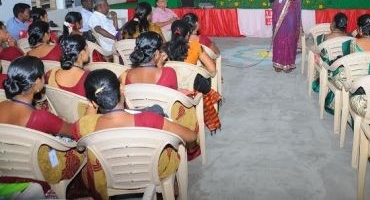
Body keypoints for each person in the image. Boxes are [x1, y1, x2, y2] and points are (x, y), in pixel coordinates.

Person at [72, 69, 197, 200]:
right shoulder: (149, 119)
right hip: (153, 173)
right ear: (121, 89)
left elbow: (80, 144)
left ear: (93, 102)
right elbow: (191, 137)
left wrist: (92, 105)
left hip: (111, 177)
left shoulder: (85, 125)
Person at [0, 56, 83, 185]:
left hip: (5, 169)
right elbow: (74, 131)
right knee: (84, 146)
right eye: (43, 76)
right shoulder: (41, 117)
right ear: (37, 83)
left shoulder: (2, 105)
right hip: (36, 175)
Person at [320, 14, 370, 115]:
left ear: (360, 29)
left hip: (353, 81)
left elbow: (345, 62)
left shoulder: (351, 43)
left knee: (336, 71)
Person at [163, 20, 221, 132]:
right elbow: (213, 71)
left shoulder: (164, 49)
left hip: (171, 87)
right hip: (191, 88)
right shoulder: (195, 46)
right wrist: (199, 68)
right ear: (188, 34)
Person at [269, 0, 302, 73]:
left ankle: (288, 63)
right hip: (278, 12)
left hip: (291, 12)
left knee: (289, 36)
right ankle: (278, 63)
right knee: (279, 36)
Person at [311, 12, 351, 101]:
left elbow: (318, 53)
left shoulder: (321, 38)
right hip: (346, 70)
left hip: (329, 71)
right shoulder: (351, 37)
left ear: (333, 24)